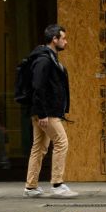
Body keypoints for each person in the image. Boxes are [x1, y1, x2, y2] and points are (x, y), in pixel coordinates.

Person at [23, 24, 77, 198]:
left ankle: (31, 187)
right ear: (55, 39)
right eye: (63, 38)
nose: (66, 42)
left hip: (43, 111)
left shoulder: (48, 58)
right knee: (61, 142)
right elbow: (38, 87)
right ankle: (57, 184)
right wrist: (43, 113)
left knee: (39, 147)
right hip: (47, 112)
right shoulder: (44, 60)